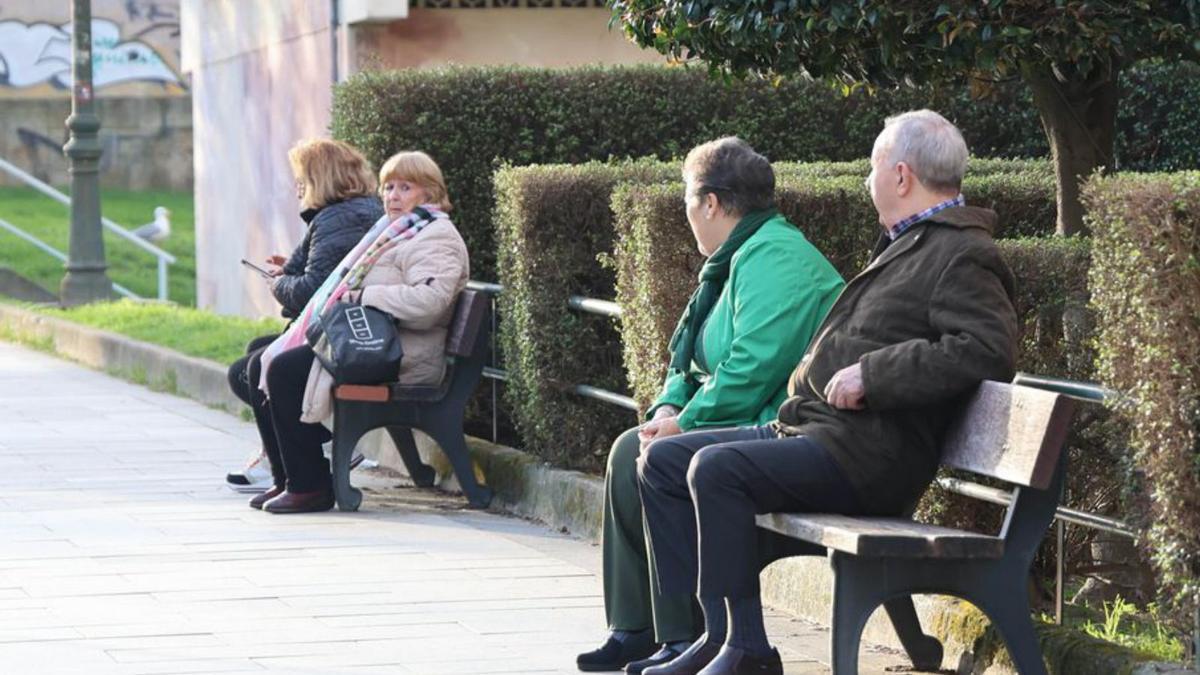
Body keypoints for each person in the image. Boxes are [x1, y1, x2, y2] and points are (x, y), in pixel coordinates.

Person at [637, 110, 1019, 675]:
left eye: (873, 166)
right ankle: (716, 635)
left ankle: (747, 650)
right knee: (664, 460)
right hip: (823, 434)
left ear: (901, 176)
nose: (868, 179)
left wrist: (873, 375)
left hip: (867, 457)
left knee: (716, 471)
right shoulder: (912, 241)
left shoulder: (961, 250)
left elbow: (989, 349)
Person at [577, 138, 845, 674]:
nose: (686, 214)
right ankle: (636, 628)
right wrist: (665, 410)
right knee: (633, 446)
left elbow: (753, 367)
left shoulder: (776, 254)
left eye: (686, 200)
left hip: (772, 426)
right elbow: (686, 360)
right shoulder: (732, 259)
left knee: (648, 454)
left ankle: (685, 635)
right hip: (735, 419)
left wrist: (687, 421)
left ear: (712, 204)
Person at [249, 150, 469, 514]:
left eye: (405, 187)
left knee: (284, 370)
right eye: (388, 187)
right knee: (262, 363)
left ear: (428, 193)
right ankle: (289, 478)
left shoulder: (436, 237)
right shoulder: (393, 230)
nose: (393, 196)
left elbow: (430, 302)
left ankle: (311, 487)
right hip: (376, 342)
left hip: (402, 354)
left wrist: (367, 296)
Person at [225, 139, 382, 491]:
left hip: (349, 337)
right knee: (259, 352)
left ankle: (301, 471)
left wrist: (278, 284)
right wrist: (291, 273)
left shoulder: (337, 218)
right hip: (350, 329)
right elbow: (321, 274)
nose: (297, 188)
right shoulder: (354, 212)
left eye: (302, 179)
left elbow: (311, 290)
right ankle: (302, 453)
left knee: (252, 370)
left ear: (321, 179)